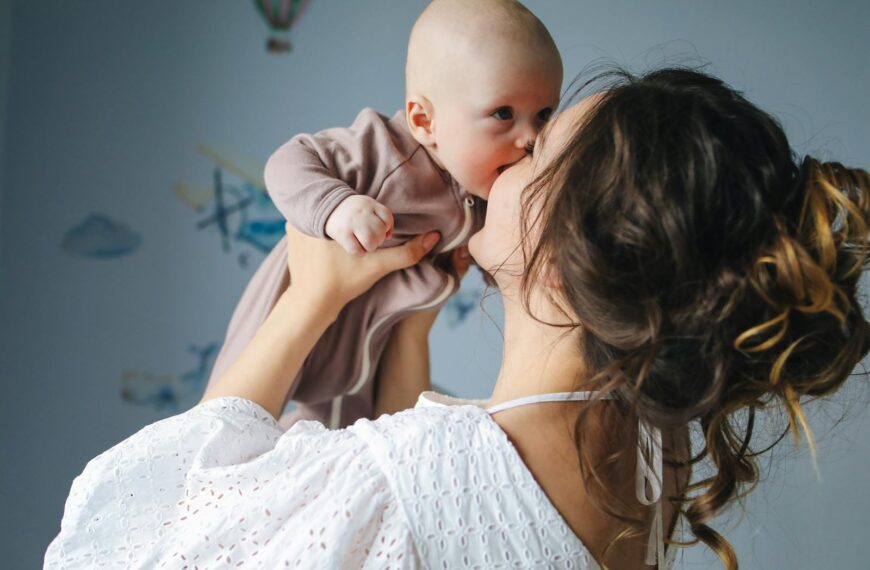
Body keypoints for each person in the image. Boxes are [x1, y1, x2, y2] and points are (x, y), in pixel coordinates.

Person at [44, 67, 870, 569]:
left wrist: (308, 297)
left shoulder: (409, 480)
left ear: (555, 260)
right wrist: (411, 323)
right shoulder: (652, 452)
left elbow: (137, 538)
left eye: (538, 152)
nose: (508, 153)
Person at [203, 0, 563, 430]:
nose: (530, 139)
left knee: (347, 440)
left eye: (544, 115)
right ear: (424, 121)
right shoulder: (383, 151)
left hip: (370, 343)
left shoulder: (487, 189)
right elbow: (288, 161)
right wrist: (336, 206)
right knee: (228, 424)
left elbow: (503, 262)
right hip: (296, 305)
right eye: (503, 114)